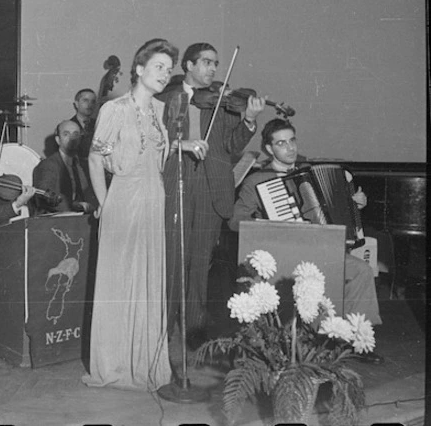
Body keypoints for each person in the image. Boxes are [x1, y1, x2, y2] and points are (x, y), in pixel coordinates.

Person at [228, 119, 385, 364]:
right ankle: (318, 340)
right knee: (315, 278)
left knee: (362, 271)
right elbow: (235, 222)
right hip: (282, 254)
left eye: (292, 140)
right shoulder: (256, 181)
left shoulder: (308, 172)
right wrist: (273, 225)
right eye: (281, 143)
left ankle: (357, 339)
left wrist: (356, 203)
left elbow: (337, 205)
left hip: (320, 248)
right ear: (269, 149)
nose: (290, 148)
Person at [82, 38, 177, 391]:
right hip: (123, 198)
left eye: (169, 69)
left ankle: (145, 362)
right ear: (139, 69)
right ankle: (115, 363)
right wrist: (105, 205)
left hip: (154, 197)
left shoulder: (161, 110)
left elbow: (155, 152)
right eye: (158, 67)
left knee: (148, 279)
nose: (165, 74)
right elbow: (95, 158)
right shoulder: (115, 110)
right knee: (120, 283)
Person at [156, 43, 266, 345]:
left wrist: (249, 120)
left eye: (216, 63)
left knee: (201, 261)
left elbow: (232, 145)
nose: (213, 69)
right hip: (176, 181)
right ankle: (163, 328)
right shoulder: (166, 98)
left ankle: (194, 328)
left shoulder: (225, 103)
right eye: (206, 62)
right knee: (173, 259)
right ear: (188, 66)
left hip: (211, 187)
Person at [32, 120, 97, 215]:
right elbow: (44, 197)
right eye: (66, 134)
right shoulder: (48, 165)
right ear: (58, 140)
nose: (71, 138)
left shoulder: (84, 164)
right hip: (55, 221)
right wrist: (74, 206)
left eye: (75, 134)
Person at [70, 88, 98, 162]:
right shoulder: (67, 126)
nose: (89, 105)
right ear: (76, 104)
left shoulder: (99, 124)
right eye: (85, 100)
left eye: (93, 101)